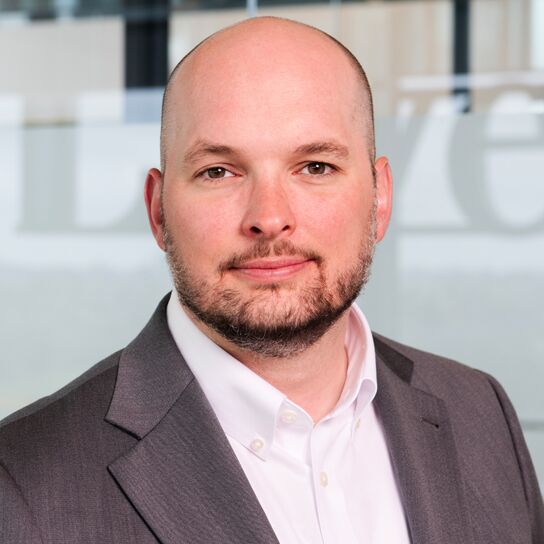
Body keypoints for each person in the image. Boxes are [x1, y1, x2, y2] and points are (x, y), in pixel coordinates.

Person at [1, 16, 542, 544]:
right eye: (219, 171)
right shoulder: (20, 484)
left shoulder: (480, 410)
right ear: (159, 211)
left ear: (379, 200)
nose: (269, 217)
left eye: (315, 167)